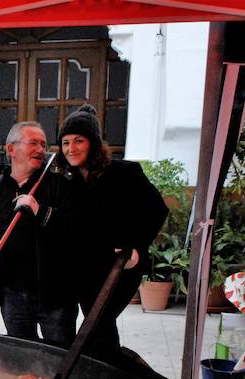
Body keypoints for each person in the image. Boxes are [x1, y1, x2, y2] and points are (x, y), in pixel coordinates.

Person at [46, 104, 167, 353]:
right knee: (99, 327)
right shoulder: (69, 181)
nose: (71, 149)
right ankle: (108, 375)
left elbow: (157, 209)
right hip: (86, 269)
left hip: (121, 266)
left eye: (79, 140)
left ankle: (113, 375)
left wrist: (137, 245)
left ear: (93, 143)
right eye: (66, 143)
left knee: (96, 327)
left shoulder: (125, 173)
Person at [0, 121, 78, 345]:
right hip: (12, 292)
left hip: (55, 293)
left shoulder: (60, 185)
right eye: (33, 143)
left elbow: (74, 229)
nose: (41, 150)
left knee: (59, 356)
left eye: (43, 145)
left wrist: (38, 209)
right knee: (21, 355)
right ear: (11, 149)